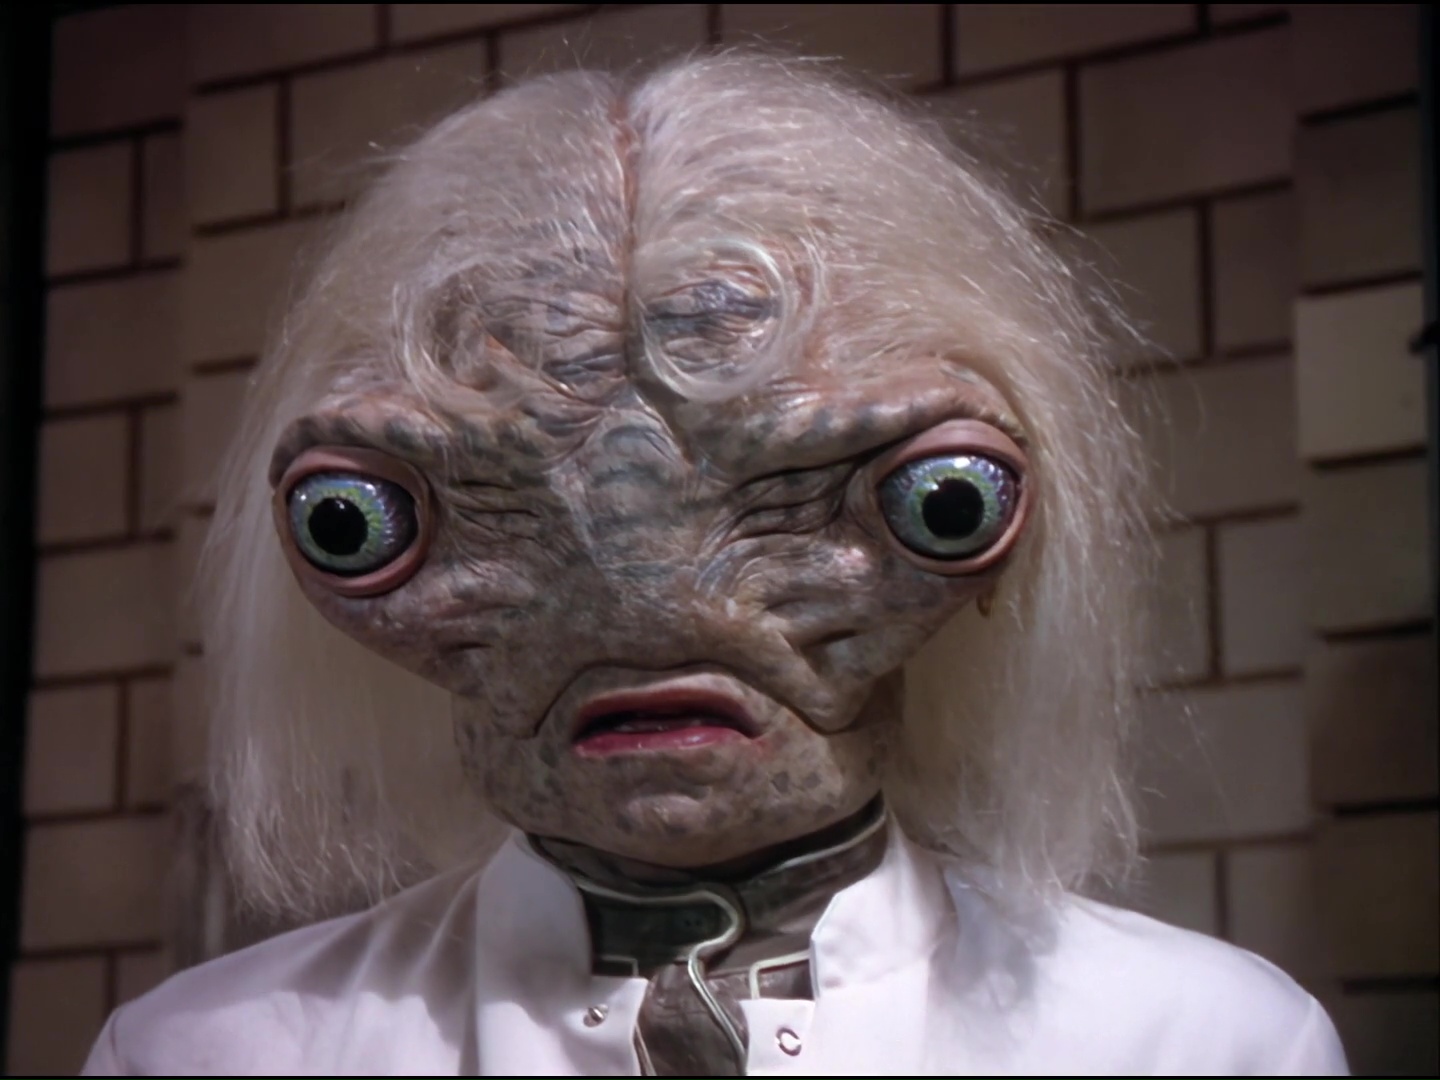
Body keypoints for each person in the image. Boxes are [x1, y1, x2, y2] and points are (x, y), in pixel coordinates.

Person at [82, 53, 1347, 1075]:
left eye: (937, 507)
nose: (652, 615)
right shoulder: (205, 1054)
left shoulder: (1202, 1042)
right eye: (360, 524)